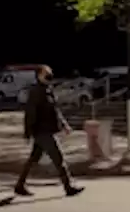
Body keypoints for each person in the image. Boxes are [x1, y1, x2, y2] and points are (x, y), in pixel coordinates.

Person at [14, 65, 84, 198]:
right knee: (59, 158)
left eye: (50, 72)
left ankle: (19, 185)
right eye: (47, 73)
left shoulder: (48, 90)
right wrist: (28, 132)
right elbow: (30, 113)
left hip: (48, 130)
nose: (50, 75)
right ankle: (68, 187)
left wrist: (64, 125)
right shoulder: (35, 92)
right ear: (39, 75)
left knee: (33, 159)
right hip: (42, 131)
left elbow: (55, 110)